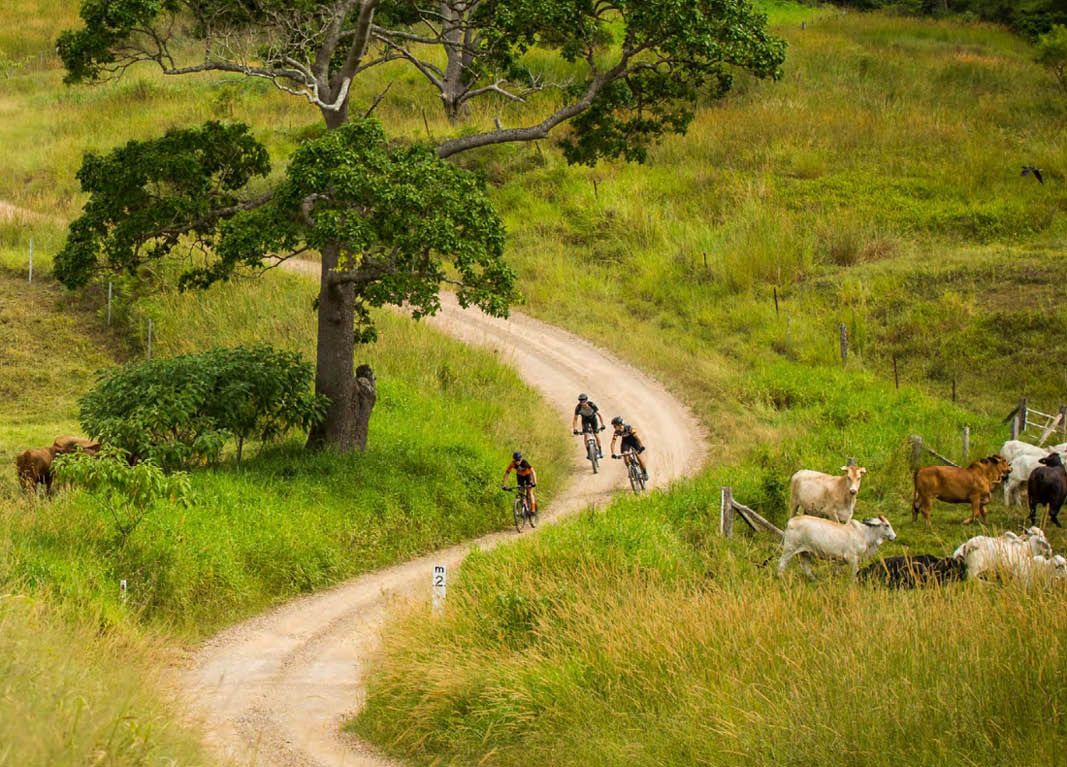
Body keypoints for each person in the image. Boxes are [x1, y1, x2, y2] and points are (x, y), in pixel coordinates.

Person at [610, 416, 648, 480]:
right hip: (625, 442)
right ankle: (630, 469)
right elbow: (613, 443)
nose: (614, 428)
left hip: (633, 441)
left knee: (638, 456)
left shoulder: (629, 428)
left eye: (614, 426)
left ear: (619, 425)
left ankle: (645, 473)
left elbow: (636, 437)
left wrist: (641, 446)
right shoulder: (617, 432)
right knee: (625, 456)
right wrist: (613, 453)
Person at [571, 393, 605, 458]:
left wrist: (602, 424)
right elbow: (575, 419)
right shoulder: (578, 407)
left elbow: (599, 415)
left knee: (596, 434)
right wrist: (574, 429)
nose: (582, 402)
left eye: (583, 400)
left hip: (593, 419)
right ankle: (589, 452)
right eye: (580, 401)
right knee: (586, 435)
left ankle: (600, 451)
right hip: (585, 420)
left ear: (586, 400)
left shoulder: (591, 404)